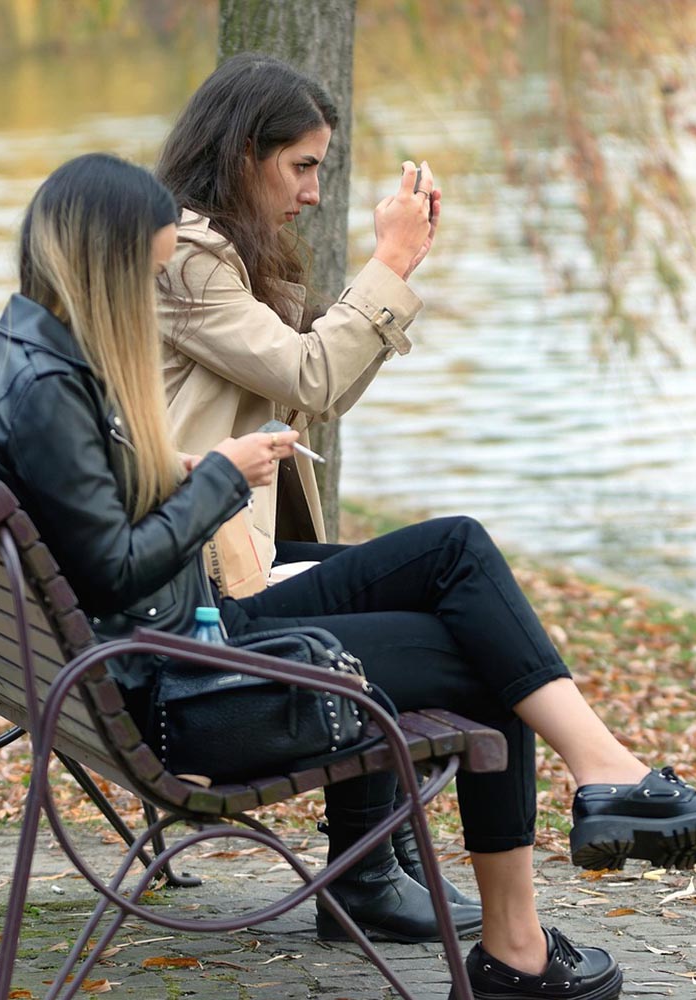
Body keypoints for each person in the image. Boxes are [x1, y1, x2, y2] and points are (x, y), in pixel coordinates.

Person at [0, 153, 696, 1000]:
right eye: (148, 274)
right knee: (488, 662)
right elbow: (118, 571)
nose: (151, 296)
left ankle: (599, 781)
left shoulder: (17, 363)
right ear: (104, 266)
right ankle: (525, 937)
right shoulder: (50, 391)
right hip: (185, 687)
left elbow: (86, 534)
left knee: (455, 548)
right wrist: (219, 479)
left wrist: (166, 469)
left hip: (155, 656)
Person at [154, 52, 460, 940]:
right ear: (243, 152)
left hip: (207, 548)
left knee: (428, 584)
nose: (314, 192)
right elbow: (310, 375)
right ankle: (370, 870)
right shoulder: (188, 258)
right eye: (302, 165)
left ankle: (381, 858)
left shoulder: (210, 248)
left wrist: (392, 281)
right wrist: (390, 261)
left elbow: (311, 395)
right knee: (435, 588)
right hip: (203, 574)